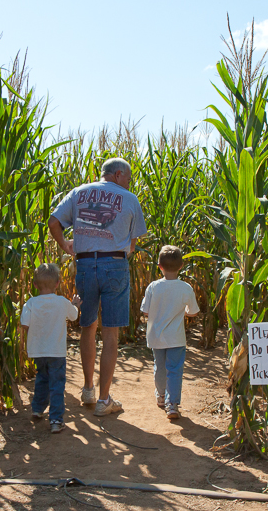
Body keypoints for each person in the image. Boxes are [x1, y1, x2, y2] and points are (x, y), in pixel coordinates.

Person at [48, 158, 147, 417]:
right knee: (111, 333)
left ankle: (89, 390)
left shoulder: (79, 193)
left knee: (88, 327)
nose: (129, 181)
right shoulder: (129, 198)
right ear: (117, 175)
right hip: (114, 264)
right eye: (128, 177)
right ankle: (104, 401)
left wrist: (65, 245)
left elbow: (53, 222)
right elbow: (133, 244)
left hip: (84, 266)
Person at [20, 263, 82, 433]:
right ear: (57, 284)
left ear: (34, 284)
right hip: (56, 351)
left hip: (38, 351)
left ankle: (38, 409)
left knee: (42, 378)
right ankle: (55, 419)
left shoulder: (30, 303)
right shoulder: (62, 302)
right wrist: (75, 303)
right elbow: (74, 316)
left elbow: (24, 325)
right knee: (57, 385)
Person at [140, 245, 200, 419]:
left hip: (156, 337)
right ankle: (172, 404)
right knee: (174, 369)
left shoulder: (153, 287)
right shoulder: (186, 288)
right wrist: (184, 312)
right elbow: (193, 311)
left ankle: (160, 396)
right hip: (176, 338)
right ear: (181, 266)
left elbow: (145, 311)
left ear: (159, 266)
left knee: (159, 367)